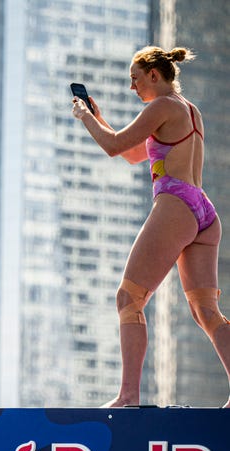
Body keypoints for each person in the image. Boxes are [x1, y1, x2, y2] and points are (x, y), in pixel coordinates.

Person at [72, 46, 230, 407]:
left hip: (176, 204)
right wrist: (101, 118)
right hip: (203, 212)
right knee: (206, 312)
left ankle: (128, 396)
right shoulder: (189, 111)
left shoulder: (160, 107)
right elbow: (130, 153)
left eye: (135, 79)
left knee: (129, 300)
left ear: (154, 75)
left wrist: (84, 117)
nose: (132, 87)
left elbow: (113, 148)